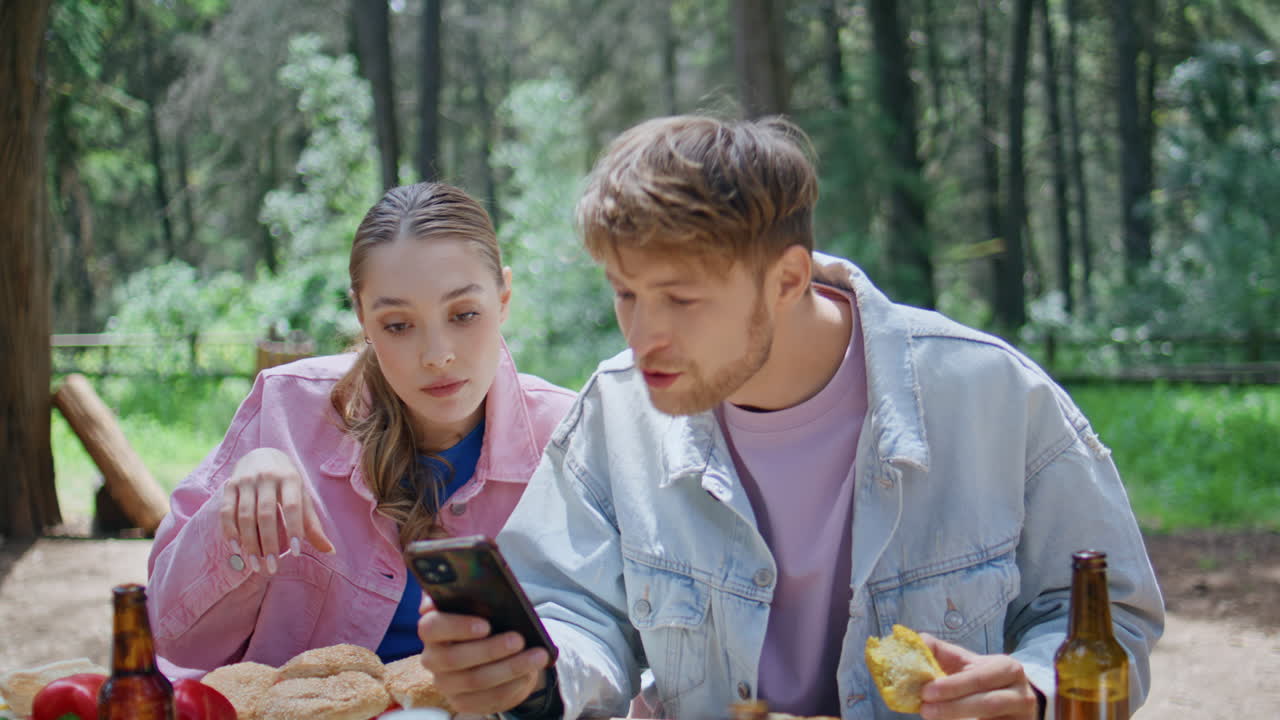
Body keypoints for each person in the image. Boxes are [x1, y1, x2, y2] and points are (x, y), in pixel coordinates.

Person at [416, 116, 1164, 720]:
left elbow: (1111, 619)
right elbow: (575, 615)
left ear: (787, 279)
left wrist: (1032, 689)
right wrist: (527, 673)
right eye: (625, 294)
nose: (643, 335)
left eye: (680, 299)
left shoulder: (991, 394)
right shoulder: (616, 411)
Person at [146, 182, 575, 679]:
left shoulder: (565, 442)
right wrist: (237, 513)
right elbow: (172, 637)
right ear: (362, 316)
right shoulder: (285, 409)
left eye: (464, 314)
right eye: (398, 325)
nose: (437, 355)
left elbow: (603, 647)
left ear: (503, 298)